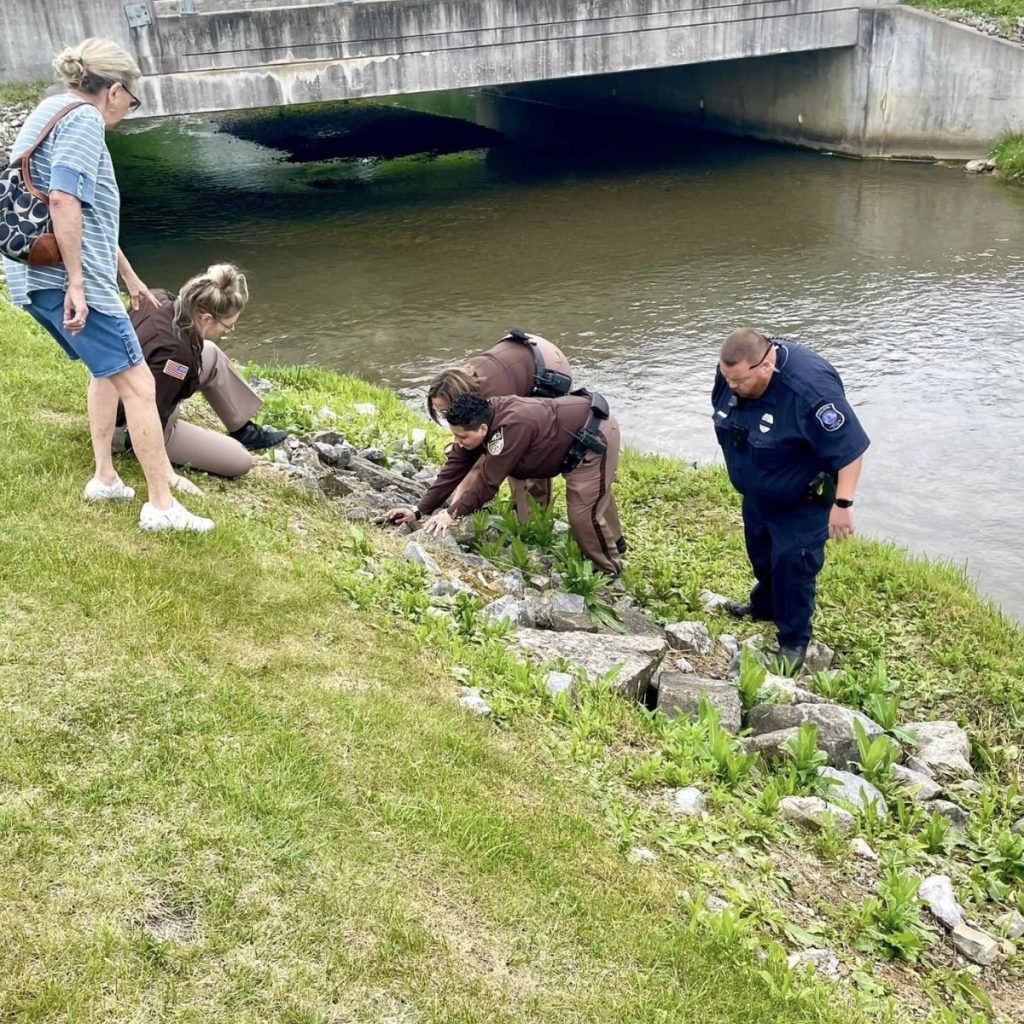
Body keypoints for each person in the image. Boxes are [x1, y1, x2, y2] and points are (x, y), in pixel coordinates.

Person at [1, 38, 211, 531]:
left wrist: (130, 277)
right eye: (130, 101)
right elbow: (62, 201)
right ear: (114, 91)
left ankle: (106, 478)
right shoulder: (84, 121)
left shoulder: (51, 109)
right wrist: (78, 283)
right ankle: (162, 508)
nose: (126, 111)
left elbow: (89, 219)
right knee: (139, 383)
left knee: (106, 371)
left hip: (33, 272)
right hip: (66, 278)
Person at [712, 328, 869, 670]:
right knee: (763, 555)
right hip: (758, 490)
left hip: (800, 500)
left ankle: (794, 639)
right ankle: (764, 606)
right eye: (727, 378)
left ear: (765, 366)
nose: (730, 386)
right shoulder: (732, 371)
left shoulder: (810, 391)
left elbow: (850, 451)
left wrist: (843, 505)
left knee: (794, 567)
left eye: (737, 381)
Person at [389, 391, 623, 576]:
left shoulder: (510, 428)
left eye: (462, 437)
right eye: (455, 435)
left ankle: (609, 568)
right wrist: (419, 510)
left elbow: (488, 482)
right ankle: (614, 543)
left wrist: (451, 514)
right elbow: (452, 471)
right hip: (565, 439)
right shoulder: (479, 420)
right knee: (591, 503)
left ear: (482, 429)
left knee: (584, 511)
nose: (457, 443)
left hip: (592, 435)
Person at [113, 264, 287, 477]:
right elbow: (149, 414)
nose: (229, 330)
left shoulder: (158, 297)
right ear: (206, 318)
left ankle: (242, 429)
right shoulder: (177, 358)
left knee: (210, 353)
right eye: (228, 325)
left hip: (111, 394)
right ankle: (125, 445)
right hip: (128, 425)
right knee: (240, 461)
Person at [419, 329, 574, 522]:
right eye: (439, 411)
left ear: (458, 398)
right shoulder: (456, 383)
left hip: (549, 368)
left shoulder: (492, 398)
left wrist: (451, 515)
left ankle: (533, 520)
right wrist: (422, 509)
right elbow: (460, 458)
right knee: (474, 446)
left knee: (521, 452)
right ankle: (518, 509)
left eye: (445, 410)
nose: (444, 415)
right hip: (522, 353)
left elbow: (480, 468)